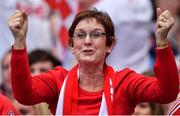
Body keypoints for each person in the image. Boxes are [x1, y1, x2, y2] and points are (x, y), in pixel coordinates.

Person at [8, 7, 179, 115]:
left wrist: (162, 41)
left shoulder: (125, 82)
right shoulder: (57, 80)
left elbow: (167, 93)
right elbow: (24, 94)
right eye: (80, 35)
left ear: (110, 44)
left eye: (96, 34)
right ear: (72, 46)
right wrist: (19, 41)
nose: (87, 41)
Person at [28, 49, 62, 115]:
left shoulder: (66, 103)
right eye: (31, 70)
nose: (36, 75)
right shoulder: (15, 104)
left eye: (43, 70)